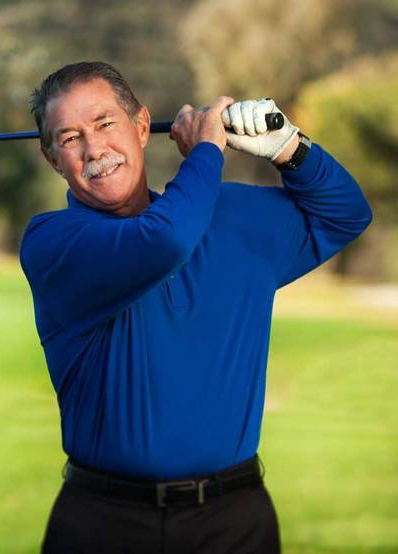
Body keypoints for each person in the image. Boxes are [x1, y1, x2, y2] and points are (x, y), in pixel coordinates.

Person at [20, 61, 372, 553]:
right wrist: (207, 148)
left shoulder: (231, 217)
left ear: (142, 126)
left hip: (234, 522)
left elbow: (346, 212)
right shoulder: (53, 242)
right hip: (104, 525)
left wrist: (288, 146)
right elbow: (164, 240)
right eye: (70, 137)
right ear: (53, 158)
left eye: (104, 123)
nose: (94, 148)